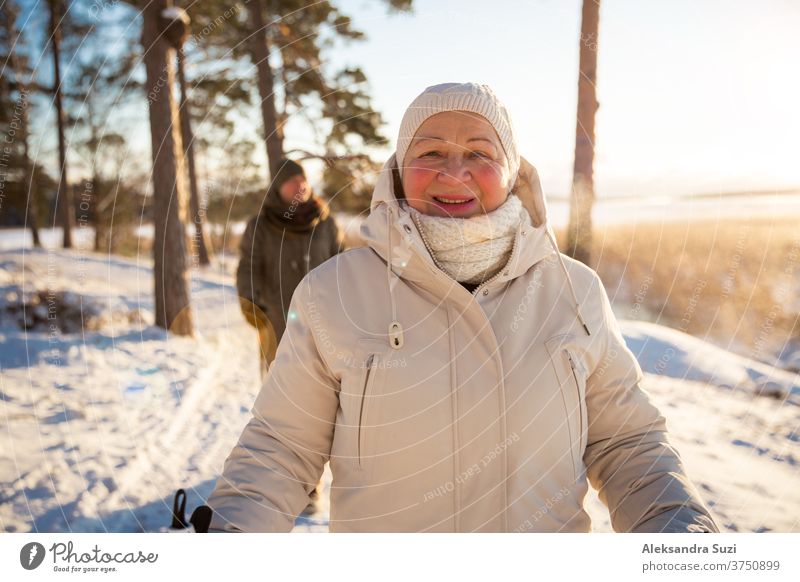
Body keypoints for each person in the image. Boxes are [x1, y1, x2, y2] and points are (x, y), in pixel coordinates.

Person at [209, 82, 719, 533]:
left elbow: (629, 444)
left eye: (480, 152)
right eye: (429, 153)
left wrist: (684, 542)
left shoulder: (574, 290)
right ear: (398, 170)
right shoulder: (332, 293)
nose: (455, 173)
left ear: (513, 169)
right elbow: (281, 448)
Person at [235, 158, 343, 514]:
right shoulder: (260, 225)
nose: (300, 187)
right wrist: (256, 312)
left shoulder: (326, 223)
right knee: (284, 409)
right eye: (291, 182)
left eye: (303, 180)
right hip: (277, 329)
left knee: (322, 408)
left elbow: (344, 269)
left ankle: (312, 484)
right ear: (277, 188)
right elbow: (248, 269)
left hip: (325, 331)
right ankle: (290, 482)